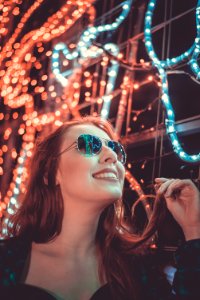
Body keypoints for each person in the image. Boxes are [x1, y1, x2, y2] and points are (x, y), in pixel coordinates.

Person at [0, 115, 200, 300]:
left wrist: (194, 230)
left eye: (116, 149)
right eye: (88, 144)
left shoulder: (138, 267)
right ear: (50, 174)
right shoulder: (6, 260)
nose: (112, 156)